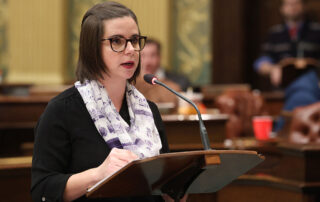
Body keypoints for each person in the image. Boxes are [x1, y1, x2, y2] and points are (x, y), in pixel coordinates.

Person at [31, 2, 187, 202]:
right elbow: (42, 190)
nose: (131, 49)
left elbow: (163, 189)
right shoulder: (61, 111)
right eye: (117, 41)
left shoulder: (149, 111)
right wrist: (98, 174)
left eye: (134, 40)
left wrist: (177, 189)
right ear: (92, 49)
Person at [254, 0, 320, 129]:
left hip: (314, 82)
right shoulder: (275, 34)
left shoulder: (317, 31)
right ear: (282, 8)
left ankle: (282, 129)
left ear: (304, 6)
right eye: (288, 4)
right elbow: (260, 62)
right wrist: (273, 68)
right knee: (303, 86)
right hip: (284, 84)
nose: (292, 7)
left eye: (296, 4)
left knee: (306, 79)